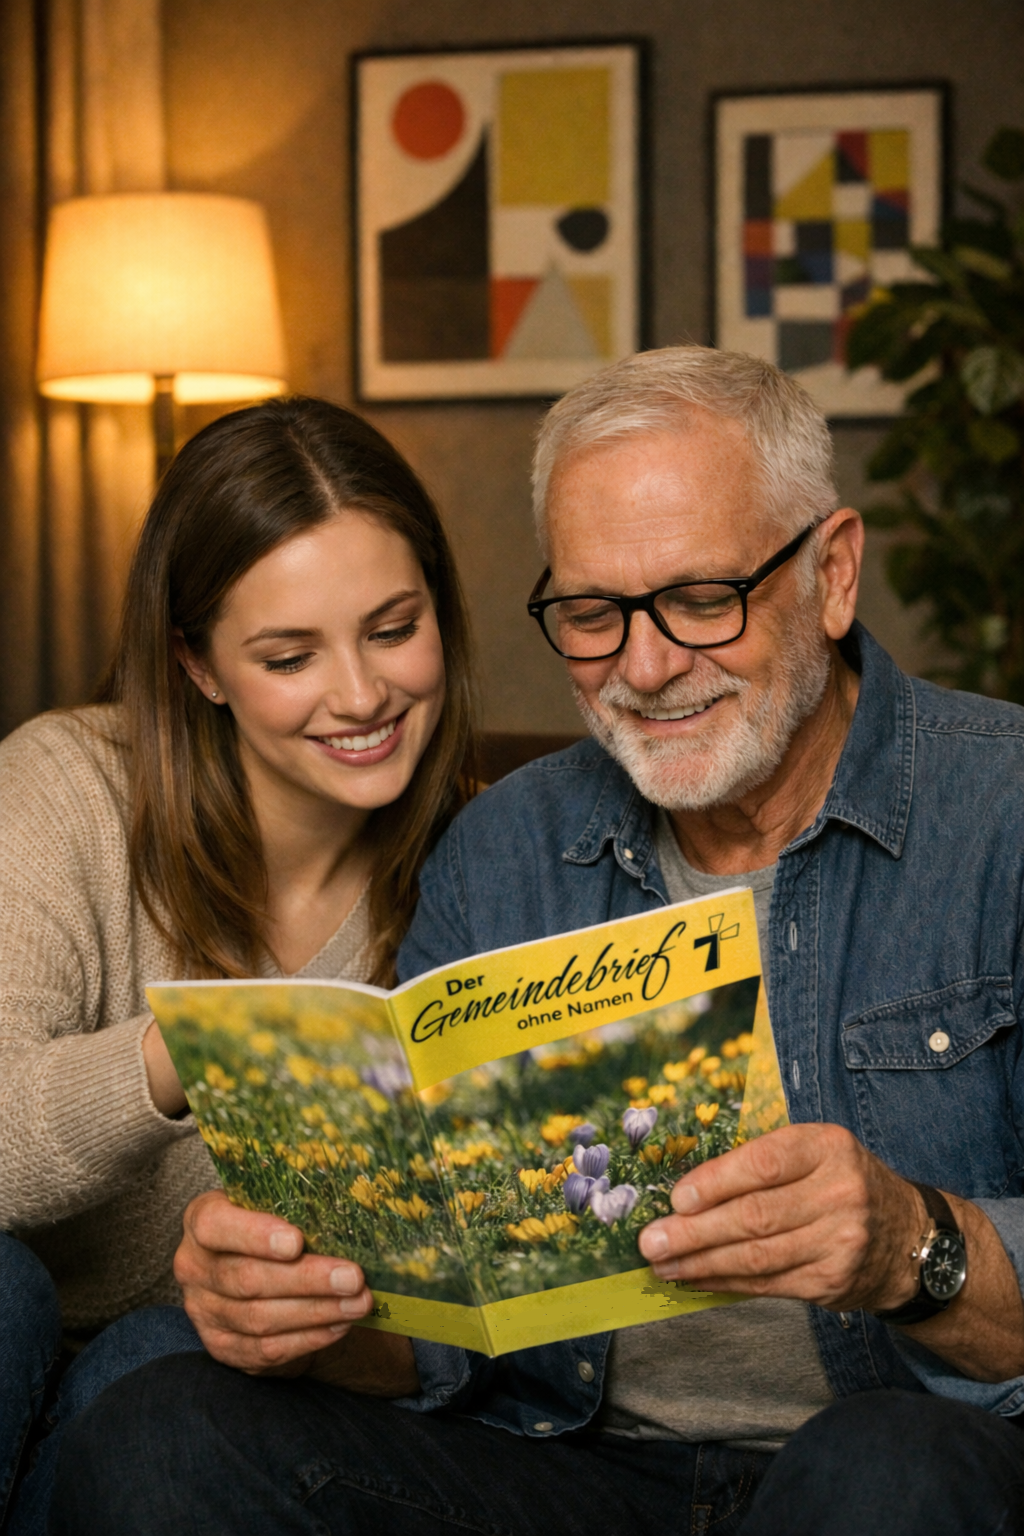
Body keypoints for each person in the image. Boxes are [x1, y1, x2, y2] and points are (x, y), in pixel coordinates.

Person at [49, 347, 1024, 1536]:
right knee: (162, 1429)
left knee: (889, 1464)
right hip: (577, 1474)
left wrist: (910, 1247)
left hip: (901, 1467)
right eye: (591, 614)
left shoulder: (1001, 811)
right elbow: (447, 1348)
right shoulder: (502, 849)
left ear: (830, 575)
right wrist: (308, 1313)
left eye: (703, 598)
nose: (649, 666)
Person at [0, 394, 473, 1531]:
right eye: (288, 655)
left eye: (393, 628)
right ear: (200, 666)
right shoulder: (68, 786)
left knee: (178, 1360)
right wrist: (192, 1049)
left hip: (215, 1389)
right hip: (23, 1323)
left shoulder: (481, 863)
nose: (360, 695)